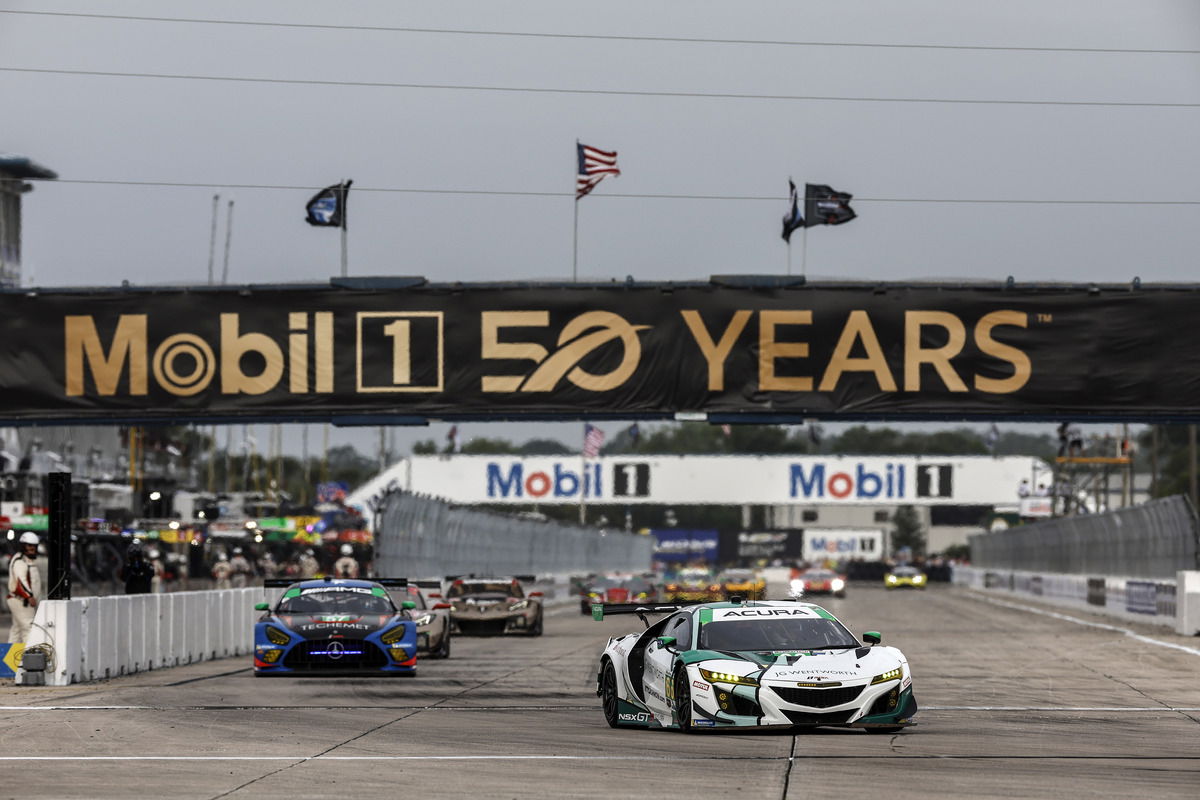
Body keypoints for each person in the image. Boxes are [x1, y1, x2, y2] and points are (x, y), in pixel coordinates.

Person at [7, 532, 43, 643]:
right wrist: (29, 596)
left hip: (22, 601)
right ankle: (29, 659)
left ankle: (10, 660)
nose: (32, 548)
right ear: (23, 546)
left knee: (17, 630)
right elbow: (21, 580)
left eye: (34, 546)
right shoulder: (20, 560)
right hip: (22, 601)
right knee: (29, 629)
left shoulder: (27, 560)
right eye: (29, 545)